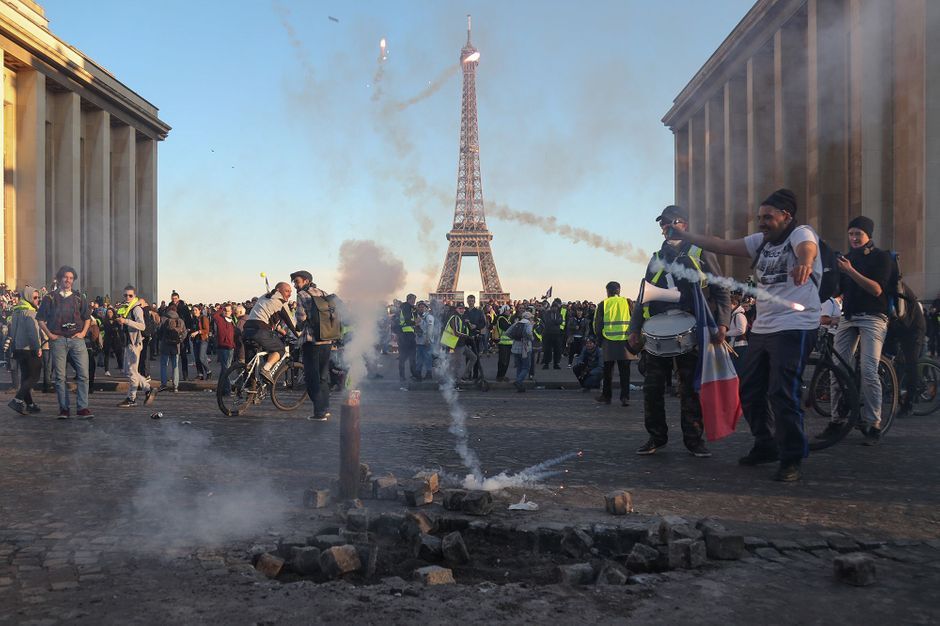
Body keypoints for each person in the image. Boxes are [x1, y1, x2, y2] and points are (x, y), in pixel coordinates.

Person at [670, 188, 821, 481]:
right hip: (764, 327)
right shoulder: (760, 242)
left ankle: (792, 457)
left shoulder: (800, 233)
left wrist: (805, 262)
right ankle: (765, 444)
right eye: (759, 217)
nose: (761, 222)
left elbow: (808, 248)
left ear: (786, 216)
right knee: (749, 388)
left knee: (782, 392)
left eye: (768, 217)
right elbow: (722, 244)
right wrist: (685, 236)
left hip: (796, 325)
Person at [628, 205, 731, 457]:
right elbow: (644, 294)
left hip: (691, 328)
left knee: (690, 388)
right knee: (652, 388)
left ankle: (694, 439)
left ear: (684, 223)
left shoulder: (700, 251)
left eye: (670, 222)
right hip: (657, 330)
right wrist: (635, 328)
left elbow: (721, 289)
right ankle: (656, 437)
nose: (666, 227)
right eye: (662, 224)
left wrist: (723, 323)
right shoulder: (656, 257)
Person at [821, 216, 892, 445]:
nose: (853, 238)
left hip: (873, 317)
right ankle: (836, 420)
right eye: (850, 233)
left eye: (857, 234)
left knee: (868, 369)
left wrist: (850, 271)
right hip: (848, 317)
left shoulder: (881, 257)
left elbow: (876, 289)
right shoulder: (846, 258)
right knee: (837, 369)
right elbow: (837, 291)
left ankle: (873, 424)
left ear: (868, 235)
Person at [36, 265, 94, 419]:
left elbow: (87, 318)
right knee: (60, 377)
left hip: (77, 340)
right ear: (60, 278)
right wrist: (50, 335)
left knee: (83, 375)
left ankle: (82, 408)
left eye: (71, 278)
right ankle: (64, 409)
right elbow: (40, 319)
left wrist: (82, 333)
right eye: (65, 277)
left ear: (73, 280)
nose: (68, 280)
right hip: (58, 340)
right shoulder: (50, 298)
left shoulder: (79, 297)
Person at [291, 270, 332, 421]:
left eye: (297, 281)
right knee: (323, 376)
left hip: (311, 340)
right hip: (327, 339)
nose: (295, 284)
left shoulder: (302, 294)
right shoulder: (323, 292)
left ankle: (319, 412)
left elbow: (301, 316)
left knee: (311, 378)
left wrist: (299, 326)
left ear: (306, 281)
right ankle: (325, 408)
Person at [243, 282, 298, 383]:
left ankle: (248, 387)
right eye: (287, 291)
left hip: (247, 330)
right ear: (278, 290)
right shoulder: (281, 302)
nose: (289, 294)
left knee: (250, 364)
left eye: (291, 292)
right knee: (280, 349)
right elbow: (291, 324)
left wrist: (282, 332)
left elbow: (269, 319)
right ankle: (266, 369)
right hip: (260, 330)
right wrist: (299, 336)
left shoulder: (263, 297)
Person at [115, 286, 157, 408]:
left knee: (132, 371)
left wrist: (126, 322)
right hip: (129, 342)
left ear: (134, 296)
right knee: (131, 372)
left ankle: (146, 389)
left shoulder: (136, 309)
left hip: (135, 343)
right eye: (125, 295)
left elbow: (142, 326)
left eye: (130, 295)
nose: (127, 297)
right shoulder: (127, 308)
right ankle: (132, 397)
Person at [595, 282, 633, 407]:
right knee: (625, 372)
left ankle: (607, 396)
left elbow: (598, 325)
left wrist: (599, 340)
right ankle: (625, 397)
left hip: (608, 341)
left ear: (607, 291)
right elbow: (634, 320)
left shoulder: (603, 304)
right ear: (619, 290)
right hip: (625, 341)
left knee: (607, 371)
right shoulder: (628, 302)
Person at [7, 286, 43, 415]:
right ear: (28, 297)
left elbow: (12, 330)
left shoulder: (16, 311)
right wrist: (38, 347)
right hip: (30, 349)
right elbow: (33, 333)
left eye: (38, 297)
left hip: (19, 348)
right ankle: (17, 399)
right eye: (35, 297)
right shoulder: (31, 312)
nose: (37, 300)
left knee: (25, 377)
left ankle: (30, 404)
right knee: (34, 376)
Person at [440, 302, 471, 385]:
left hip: (461, 343)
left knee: (473, 358)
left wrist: (468, 325)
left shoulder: (461, 317)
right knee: (457, 363)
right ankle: (456, 381)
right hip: (454, 344)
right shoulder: (455, 317)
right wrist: (467, 336)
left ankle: (463, 376)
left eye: (463, 308)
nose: (462, 310)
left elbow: (465, 329)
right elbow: (456, 332)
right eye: (460, 308)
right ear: (456, 309)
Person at [159, 304, 186, 392]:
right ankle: (175, 386)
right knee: (175, 366)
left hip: (165, 345)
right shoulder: (180, 320)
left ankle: (163, 384)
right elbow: (185, 333)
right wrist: (180, 340)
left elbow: (158, 331)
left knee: (164, 365)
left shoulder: (163, 319)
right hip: (176, 346)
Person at [397, 294, 419, 385]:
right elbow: (407, 320)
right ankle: (411, 375)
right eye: (413, 299)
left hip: (406, 334)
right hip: (406, 334)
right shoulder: (406, 307)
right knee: (409, 356)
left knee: (406, 356)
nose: (414, 301)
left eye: (414, 299)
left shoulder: (407, 307)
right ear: (408, 299)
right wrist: (415, 322)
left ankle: (404, 375)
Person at [212, 303, 237, 386]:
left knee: (225, 369)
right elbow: (215, 315)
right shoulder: (220, 319)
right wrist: (222, 309)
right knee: (226, 369)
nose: (227, 312)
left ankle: (221, 388)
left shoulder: (232, 320)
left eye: (229, 310)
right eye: (225, 310)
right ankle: (227, 389)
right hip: (222, 347)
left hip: (231, 347)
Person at [510, 312, 535, 392]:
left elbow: (508, 332)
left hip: (515, 347)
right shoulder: (528, 324)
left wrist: (514, 338)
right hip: (525, 348)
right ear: (529, 318)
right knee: (526, 367)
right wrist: (531, 338)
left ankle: (519, 386)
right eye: (531, 318)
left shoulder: (517, 323)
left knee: (519, 367)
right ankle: (518, 381)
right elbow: (528, 333)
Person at [464, 295, 487, 380]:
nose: (470, 302)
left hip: (475, 336)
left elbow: (483, 323)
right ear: (467, 301)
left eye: (472, 301)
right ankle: (468, 374)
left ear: (474, 301)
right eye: (469, 301)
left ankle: (475, 374)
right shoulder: (464, 312)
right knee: (468, 357)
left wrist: (476, 326)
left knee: (476, 356)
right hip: (466, 336)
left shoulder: (479, 312)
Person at [727, 293, 750, 371]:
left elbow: (741, 330)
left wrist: (726, 333)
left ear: (733, 304)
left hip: (740, 346)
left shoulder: (739, 315)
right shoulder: (735, 315)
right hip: (736, 346)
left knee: (739, 369)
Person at [414, 300, 435, 381]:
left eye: (423, 307)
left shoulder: (429, 317)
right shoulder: (419, 317)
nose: (421, 308)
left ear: (427, 308)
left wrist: (428, 340)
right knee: (419, 359)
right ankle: (418, 374)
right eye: (419, 307)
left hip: (426, 342)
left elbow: (430, 329)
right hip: (419, 342)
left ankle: (429, 374)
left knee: (427, 358)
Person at [541, 299, 564, 370]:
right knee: (547, 350)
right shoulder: (547, 313)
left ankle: (556, 364)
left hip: (557, 334)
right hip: (548, 334)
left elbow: (560, 321)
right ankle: (546, 364)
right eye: (553, 307)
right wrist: (555, 322)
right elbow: (547, 321)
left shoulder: (559, 314)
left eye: (556, 307)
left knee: (557, 350)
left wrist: (554, 322)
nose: (555, 308)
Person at [190, 305, 211, 380]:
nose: (194, 312)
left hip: (203, 339)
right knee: (196, 358)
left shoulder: (203, 318)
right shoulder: (194, 319)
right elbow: (193, 328)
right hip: (195, 340)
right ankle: (200, 374)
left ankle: (208, 371)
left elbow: (206, 330)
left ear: (199, 310)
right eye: (193, 310)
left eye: (196, 310)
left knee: (201, 357)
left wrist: (197, 332)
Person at [494, 305, 514, 381]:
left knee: (505, 360)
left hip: (507, 343)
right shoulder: (501, 318)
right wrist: (513, 325)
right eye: (508, 310)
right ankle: (500, 376)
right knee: (503, 361)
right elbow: (507, 328)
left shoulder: (506, 319)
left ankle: (502, 375)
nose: (510, 312)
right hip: (503, 343)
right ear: (504, 311)